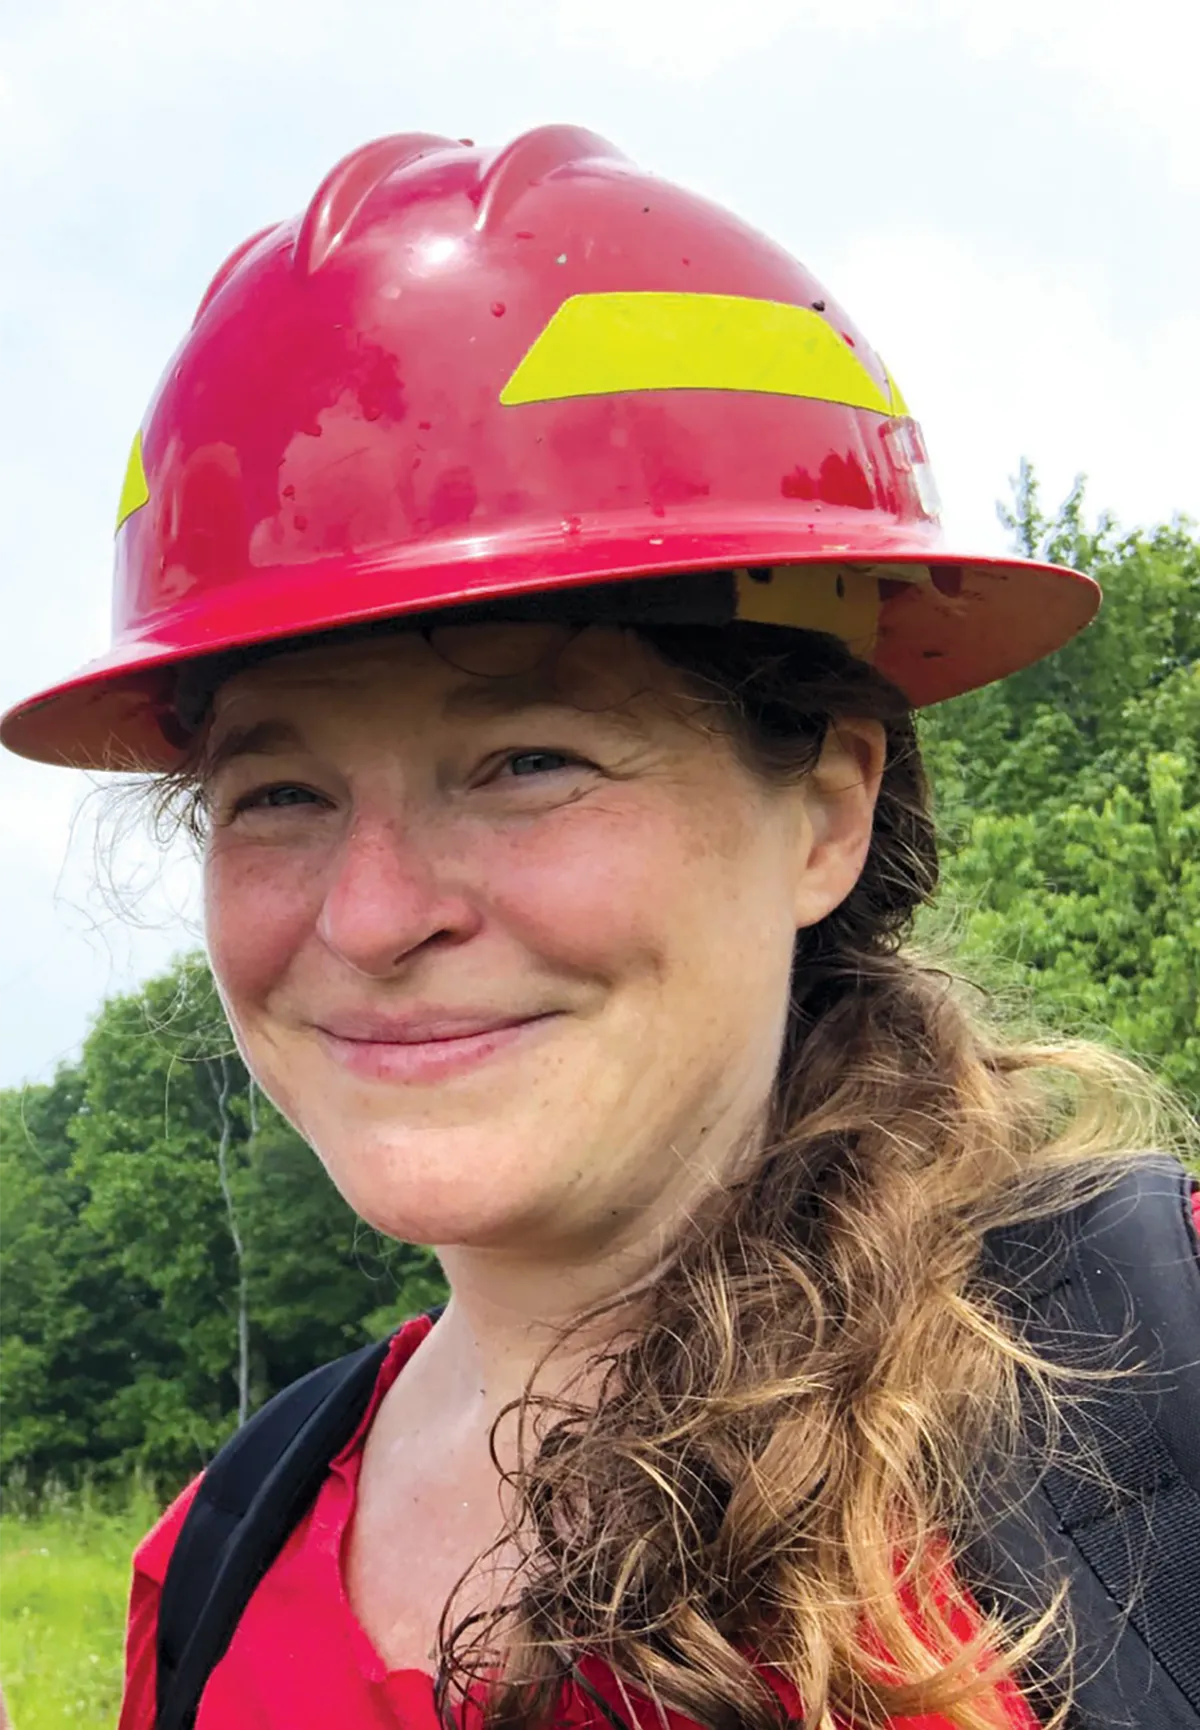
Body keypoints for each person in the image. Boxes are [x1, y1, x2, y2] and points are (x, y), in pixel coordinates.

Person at [4, 127, 1198, 1730]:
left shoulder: (1146, 1404)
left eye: (527, 761)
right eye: (277, 793)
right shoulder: (223, 1557)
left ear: (825, 812)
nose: (374, 913)